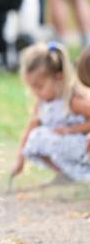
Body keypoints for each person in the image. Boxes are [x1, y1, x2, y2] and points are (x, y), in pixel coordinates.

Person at [11, 42, 90, 183]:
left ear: (58, 77)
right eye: (32, 88)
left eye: (39, 86)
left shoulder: (72, 100)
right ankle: (66, 175)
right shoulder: (42, 103)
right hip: (67, 147)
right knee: (33, 139)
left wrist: (71, 129)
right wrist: (19, 160)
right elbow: (31, 127)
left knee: (38, 137)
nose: (35, 92)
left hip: (83, 146)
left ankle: (82, 172)